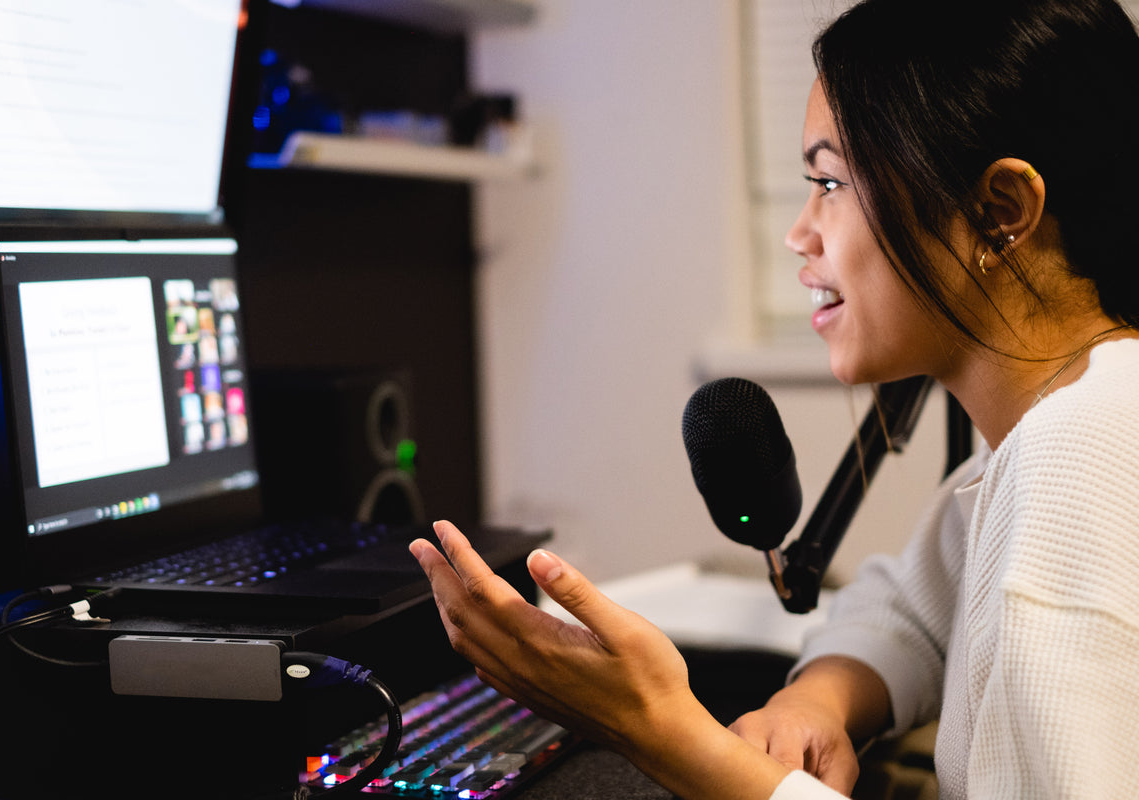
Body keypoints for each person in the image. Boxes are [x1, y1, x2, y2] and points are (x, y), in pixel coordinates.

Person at [409, 0, 1139, 797]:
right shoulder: (1074, 421)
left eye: (830, 181)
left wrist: (660, 731)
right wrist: (819, 700)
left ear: (999, 215)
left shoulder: (1081, 455)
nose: (799, 232)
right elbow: (911, 608)